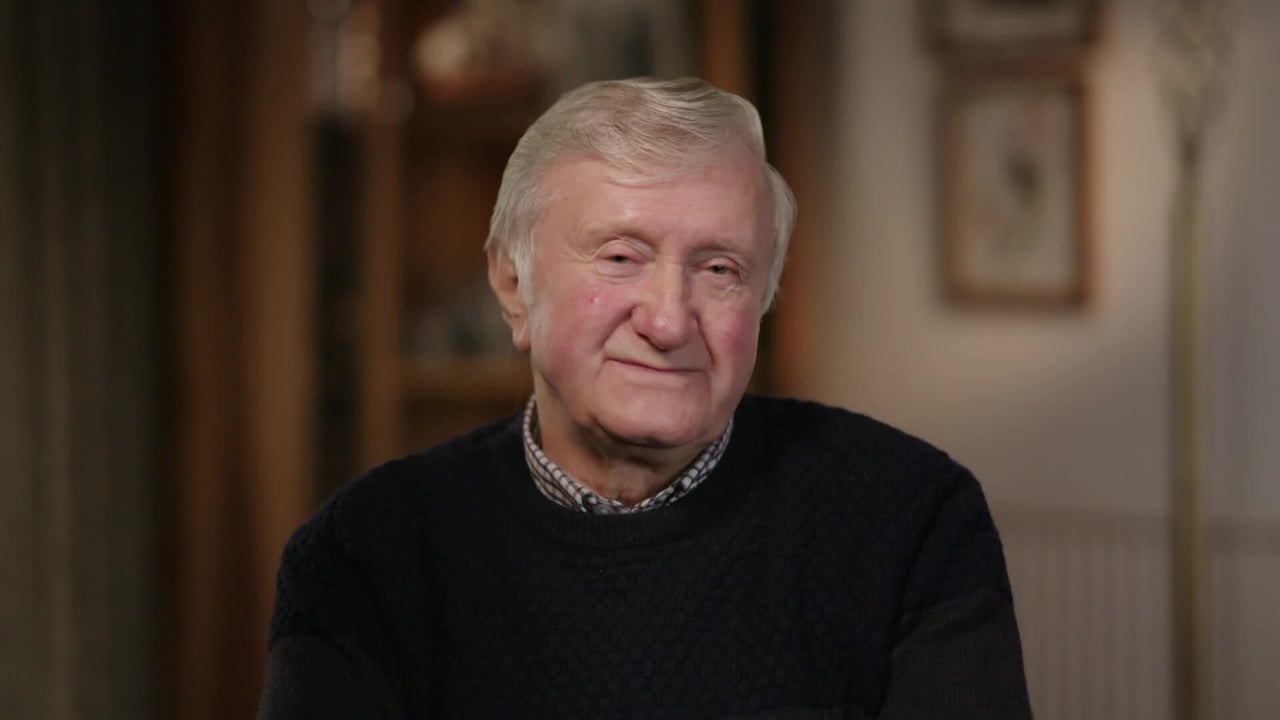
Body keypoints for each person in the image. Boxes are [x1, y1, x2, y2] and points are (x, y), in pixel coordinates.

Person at [259, 77, 1031, 720]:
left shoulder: (912, 519)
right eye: (621, 257)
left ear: (764, 295)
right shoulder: (366, 554)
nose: (668, 321)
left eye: (720, 269)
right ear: (512, 284)